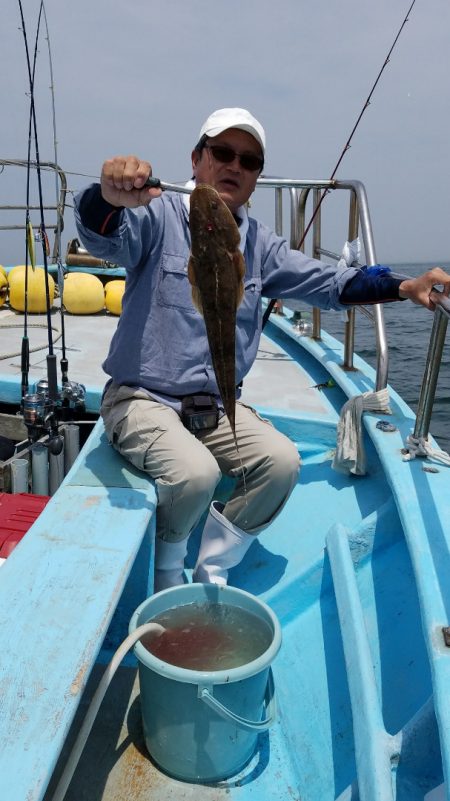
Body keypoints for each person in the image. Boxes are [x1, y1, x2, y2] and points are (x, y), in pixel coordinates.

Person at [74, 107, 450, 592]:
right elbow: (102, 236)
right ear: (196, 159)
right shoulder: (155, 215)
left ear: (256, 178)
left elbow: (329, 282)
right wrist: (106, 197)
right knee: (195, 474)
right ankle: (168, 571)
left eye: (249, 161)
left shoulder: (260, 245)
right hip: (143, 398)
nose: (234, 166)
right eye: (223, 152)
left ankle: (215, 565)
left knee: (281, 461)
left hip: (215, 402)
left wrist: (405, 287)